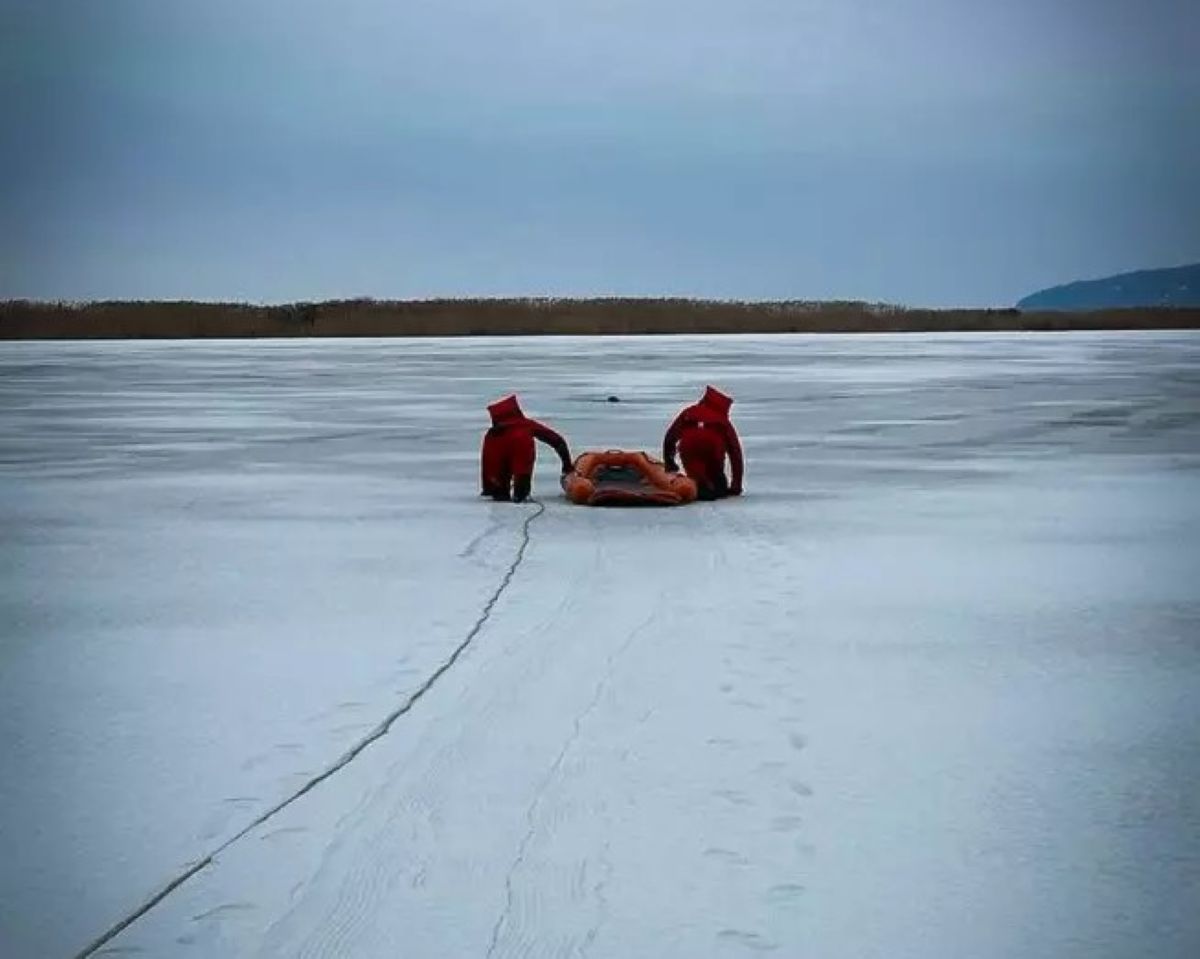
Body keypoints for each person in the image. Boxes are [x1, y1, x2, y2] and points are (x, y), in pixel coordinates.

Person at [480, 395, 573, 502]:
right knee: (521, 477)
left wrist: (489, 486)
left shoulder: (492, 434)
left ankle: (501, 492)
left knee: (500, 491)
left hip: (498, 462)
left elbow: (488, 461)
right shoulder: (525, 424)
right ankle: (520, 493)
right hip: (522, 454)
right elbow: (557, 441)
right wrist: (567, 464)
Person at [662, 385, 744, 500]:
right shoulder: (723, 420)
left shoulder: (689, 412)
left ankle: (700, 486)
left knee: (698, 479)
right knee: (718, 481)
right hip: (714, 446)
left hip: (689, 445)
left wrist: (669, 462)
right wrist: (736, 485)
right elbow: (735, 453)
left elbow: (670, 437)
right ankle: (717, 486)